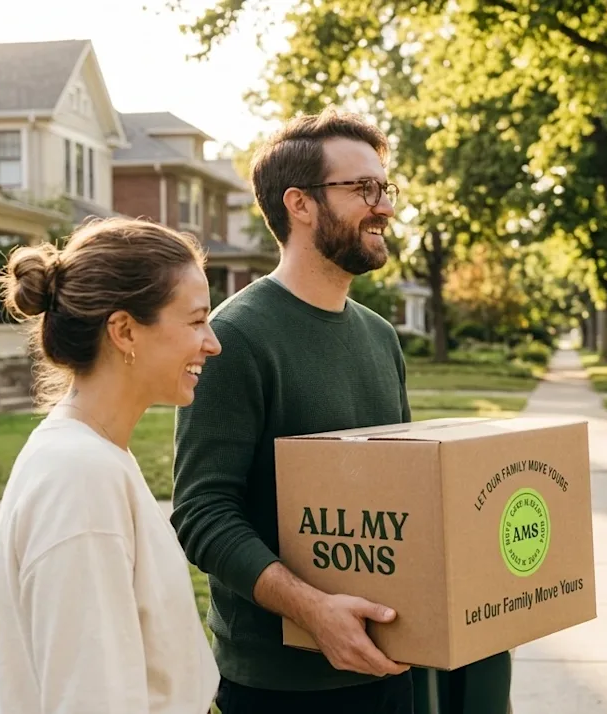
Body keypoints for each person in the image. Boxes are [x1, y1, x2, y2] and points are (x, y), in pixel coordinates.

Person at [170, 109, 512, 714]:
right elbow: (202, 513)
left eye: (385, 188)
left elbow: (406, 495)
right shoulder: (236, 337)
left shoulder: (380, 336)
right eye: (362, 189)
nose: (384, 206)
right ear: (300, 204)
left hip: (392, 665)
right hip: (283, 685)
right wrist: (314, 611)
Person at [0, 217, 222, 714]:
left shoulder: (96, 456)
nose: (212, 342)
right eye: (197, 320)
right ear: (124, 330)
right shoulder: (78, 477)